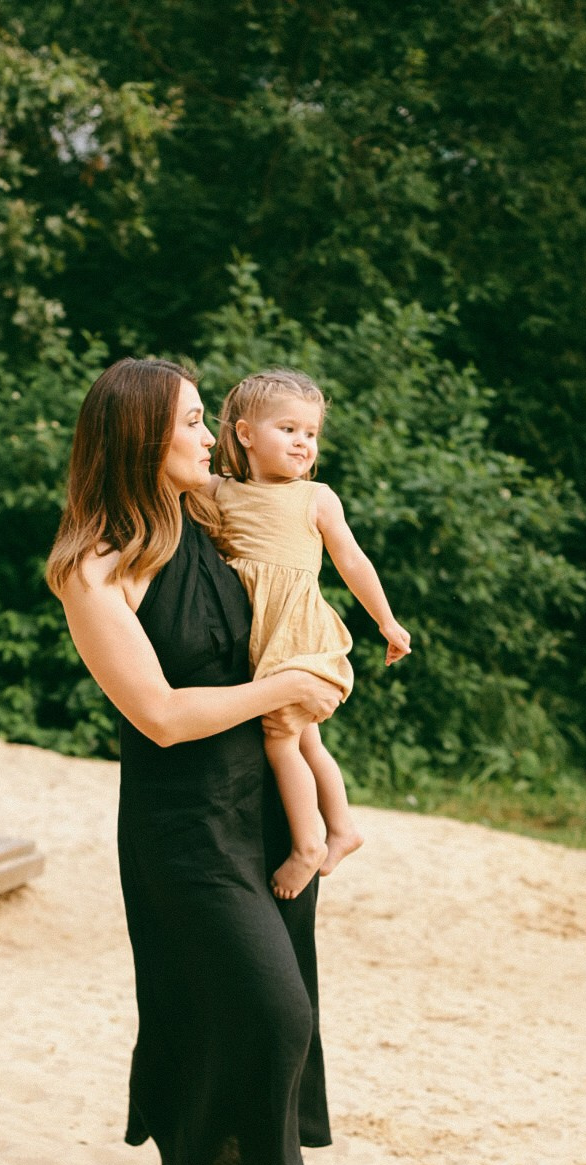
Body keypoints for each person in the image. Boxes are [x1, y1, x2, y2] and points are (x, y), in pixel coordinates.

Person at [45, 357, 344, 1165]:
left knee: (283, 1004)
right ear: (140, 436)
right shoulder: (95, 572)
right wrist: (287, 686)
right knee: (261, 1009)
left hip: (258, 807)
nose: (210, 437)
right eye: (188, 423)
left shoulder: (213, 526)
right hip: (183, 826)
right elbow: (164, 717)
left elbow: (305, 555)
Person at [210, 369, 411, 900]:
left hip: (296, 632)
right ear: (245, 434)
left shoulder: (317, 497)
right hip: (259, 637)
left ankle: (308, 844)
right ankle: (344, 827)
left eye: (311, 433)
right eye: (289, 430)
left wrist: (386, 620)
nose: (303, 443)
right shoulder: (221, 493)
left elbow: (352, 560)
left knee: (280, 740)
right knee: (306, 739)